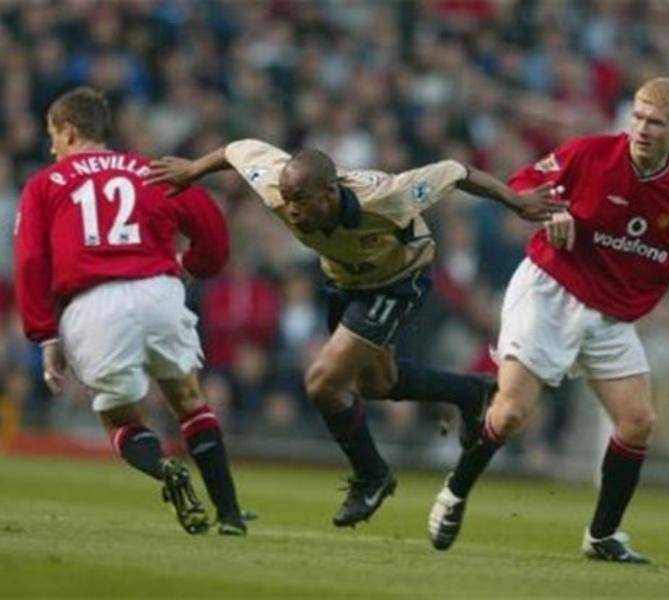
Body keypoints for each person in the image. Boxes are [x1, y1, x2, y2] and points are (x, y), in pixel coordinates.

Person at [426, 77, 669, 563]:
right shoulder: (589, 154)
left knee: (638, 422)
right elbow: (522, 185)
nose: (642, 129)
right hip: (549, 291)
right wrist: (548, 212)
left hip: (609, 318)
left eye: (656, 123)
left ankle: (602, 535)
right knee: (513, 412)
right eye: (638, 117)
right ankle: (454, 492)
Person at [146, 138, 564, 528]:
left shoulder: (387, 197)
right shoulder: (276, 185)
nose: (290, 210)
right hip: (346, 282)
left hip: (400, 279)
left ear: (330, 193)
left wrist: (515, 200)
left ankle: (372, 476)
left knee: (322, 383)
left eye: (300, 200)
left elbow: (456, 171)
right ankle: (471, 393)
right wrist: (193, 170)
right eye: (287, 199)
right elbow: (240, 149)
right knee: (377, 384)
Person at [14, 87, 247, 535]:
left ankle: (164, 467)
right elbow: (214, 235)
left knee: (120, 418)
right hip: (158, 291)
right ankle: (231, 514)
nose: (52, 147)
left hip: (92, 304)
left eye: (53, 135)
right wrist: (190, 265)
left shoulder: (46, 183)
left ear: (69, 130)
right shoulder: (152, 170)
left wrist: (45, 335)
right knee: (189, 400)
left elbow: (30, 262)